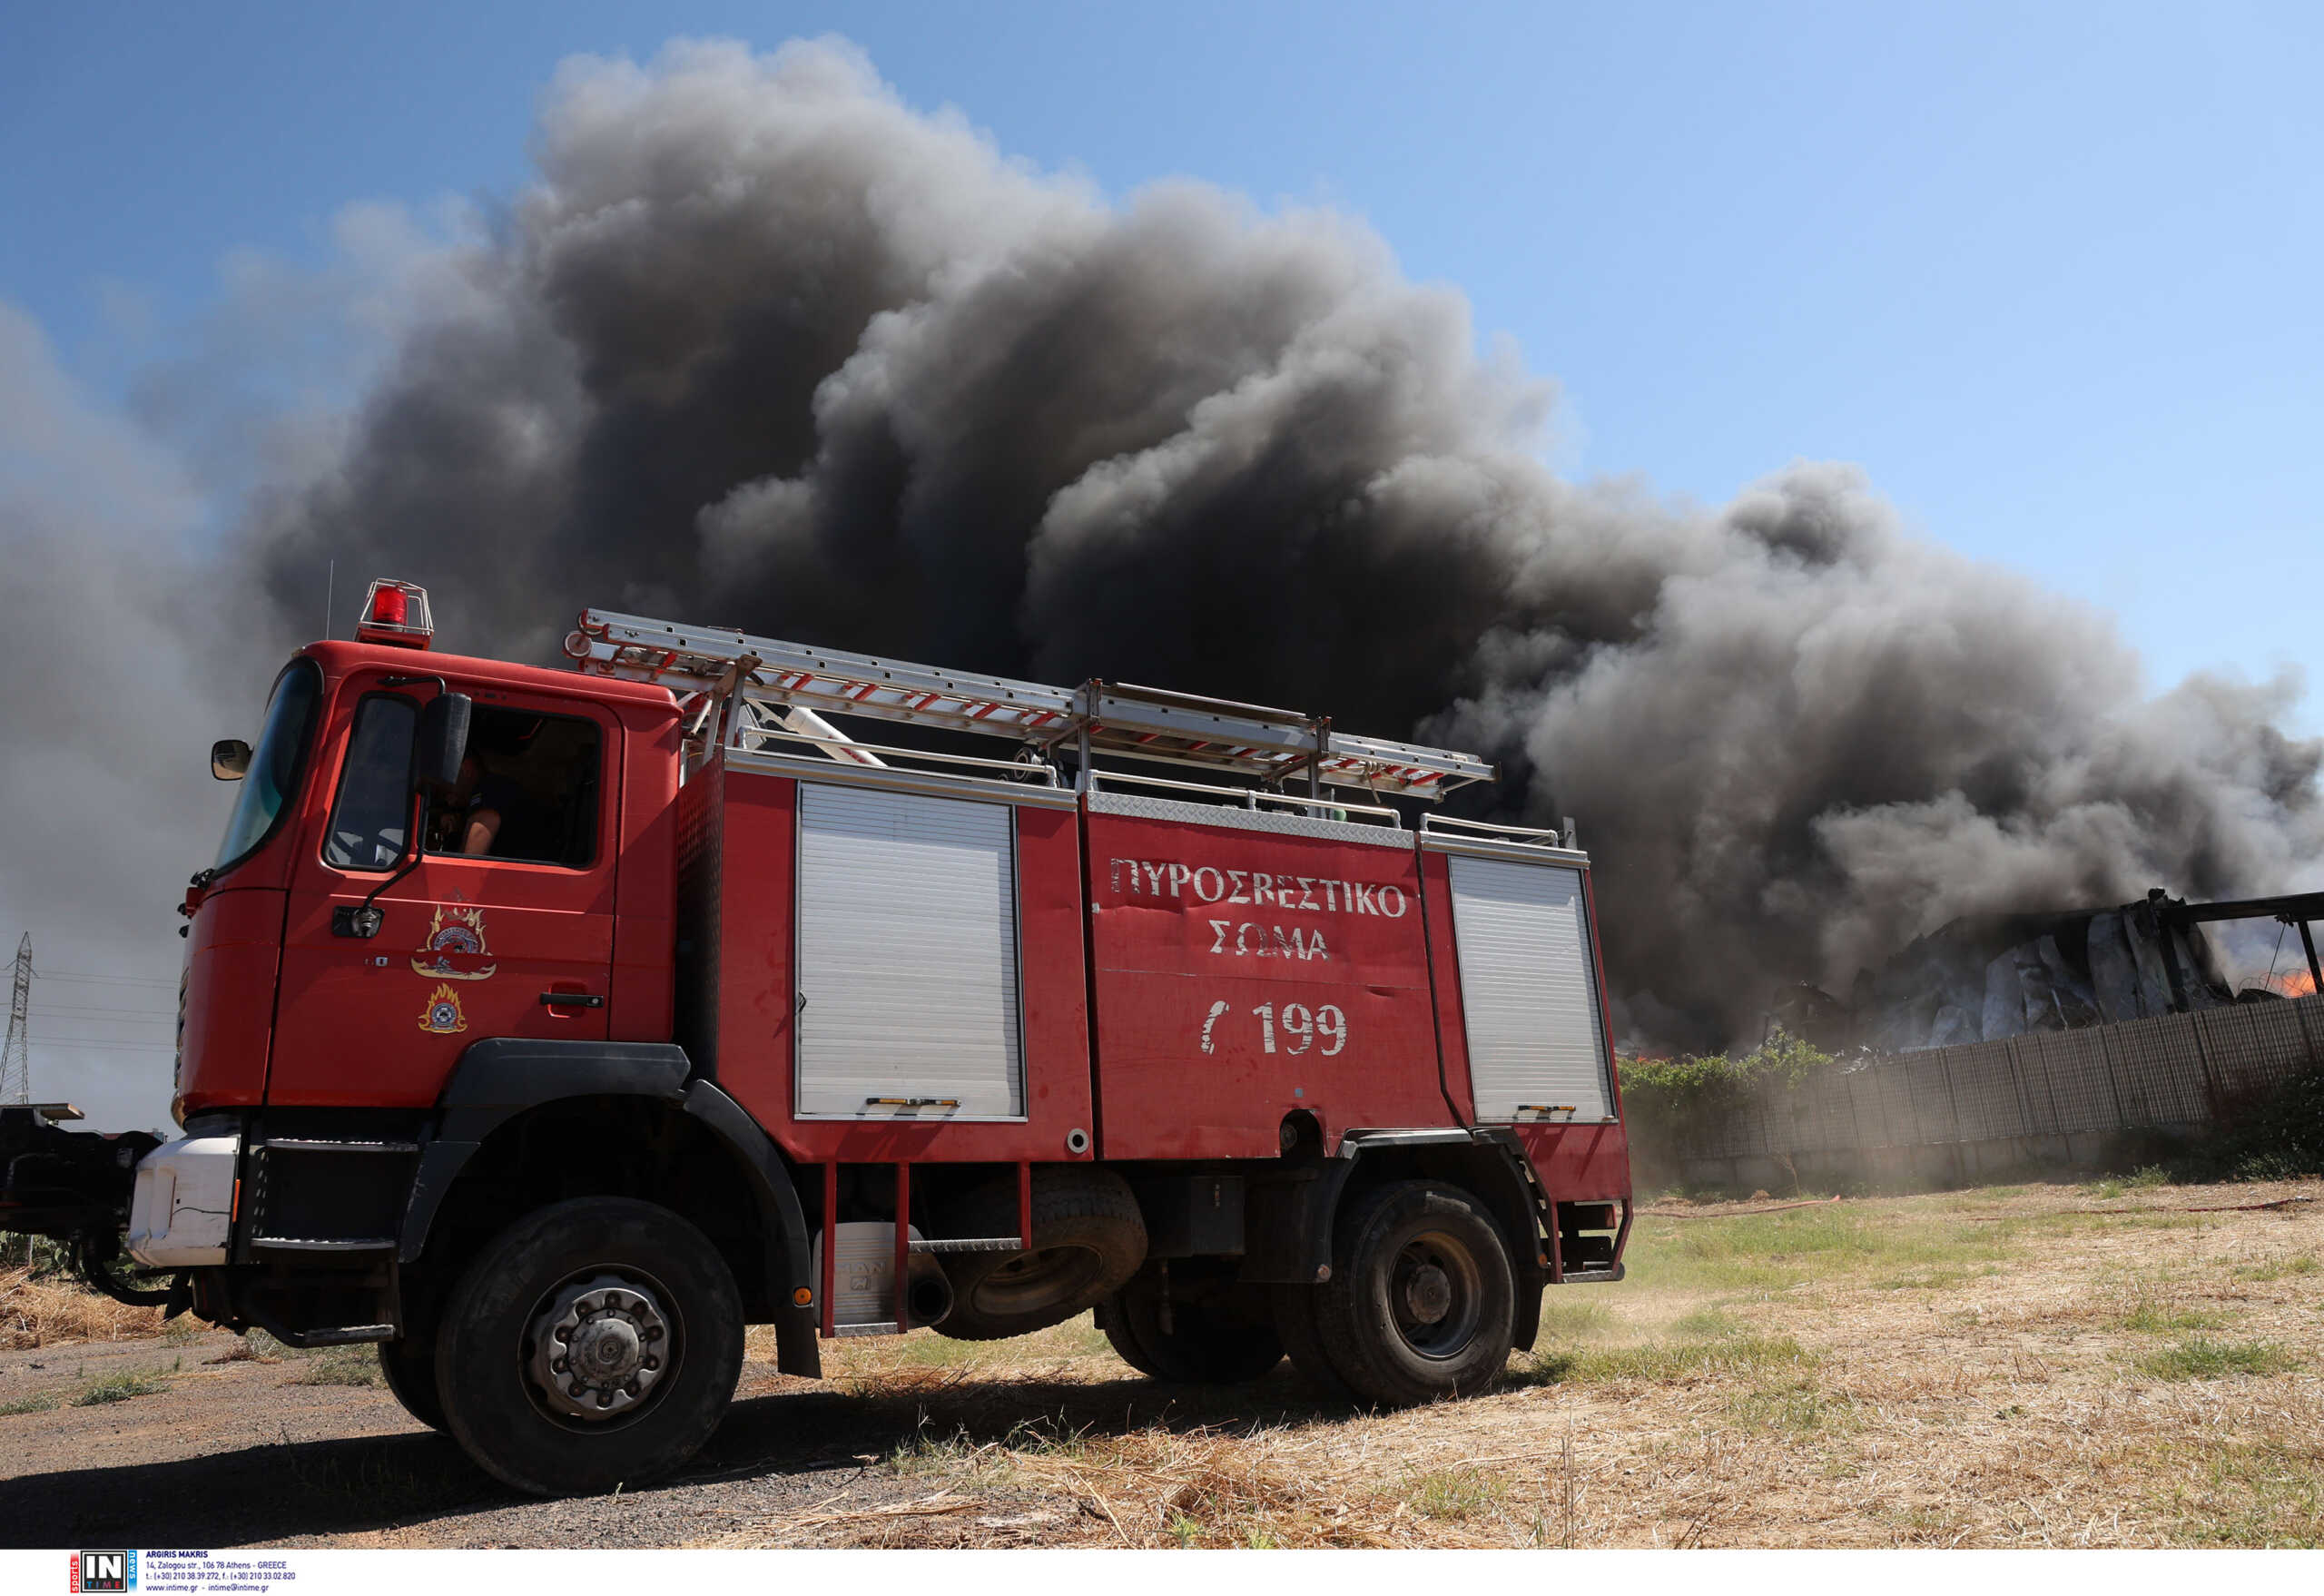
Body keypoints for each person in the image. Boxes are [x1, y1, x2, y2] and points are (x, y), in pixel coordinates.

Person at [428, 754, 525, 857]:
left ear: (466, 768)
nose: (448, 800)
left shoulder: (490, 787)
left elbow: (468, 862)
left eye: (445, 786)